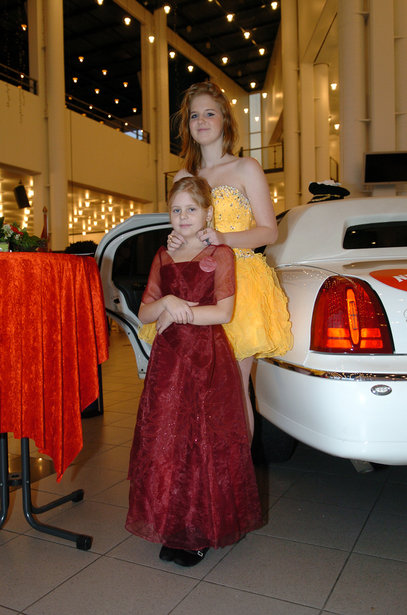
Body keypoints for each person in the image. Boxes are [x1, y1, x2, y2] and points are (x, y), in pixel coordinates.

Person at [126, 176, 263, 567]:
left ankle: (199, 530)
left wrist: (179, 312)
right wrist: (168, 302)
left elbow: (223, 312)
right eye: (176, 209)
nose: (183, 216)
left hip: (206, 360)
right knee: (167, 441)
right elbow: (145, 312)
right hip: (168, 363)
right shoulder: (163, 255)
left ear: (207, 213)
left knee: (202, 442)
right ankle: (172, 522)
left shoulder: (220, 253)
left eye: (191, 209)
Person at [164, 81, 293, 438]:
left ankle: (236, 471)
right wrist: (176, 243)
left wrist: (224, 239)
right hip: (196, 287)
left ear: (224, 120)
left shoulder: (245, 167)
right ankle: (205, 467)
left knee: (234, 387)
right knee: (197, 387)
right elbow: (183, 235)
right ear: (187, 125)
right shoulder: (183, 177)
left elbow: (269, 232)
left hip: (239, 283)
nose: (202, 121)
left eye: (210, 113)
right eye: (194, 116)